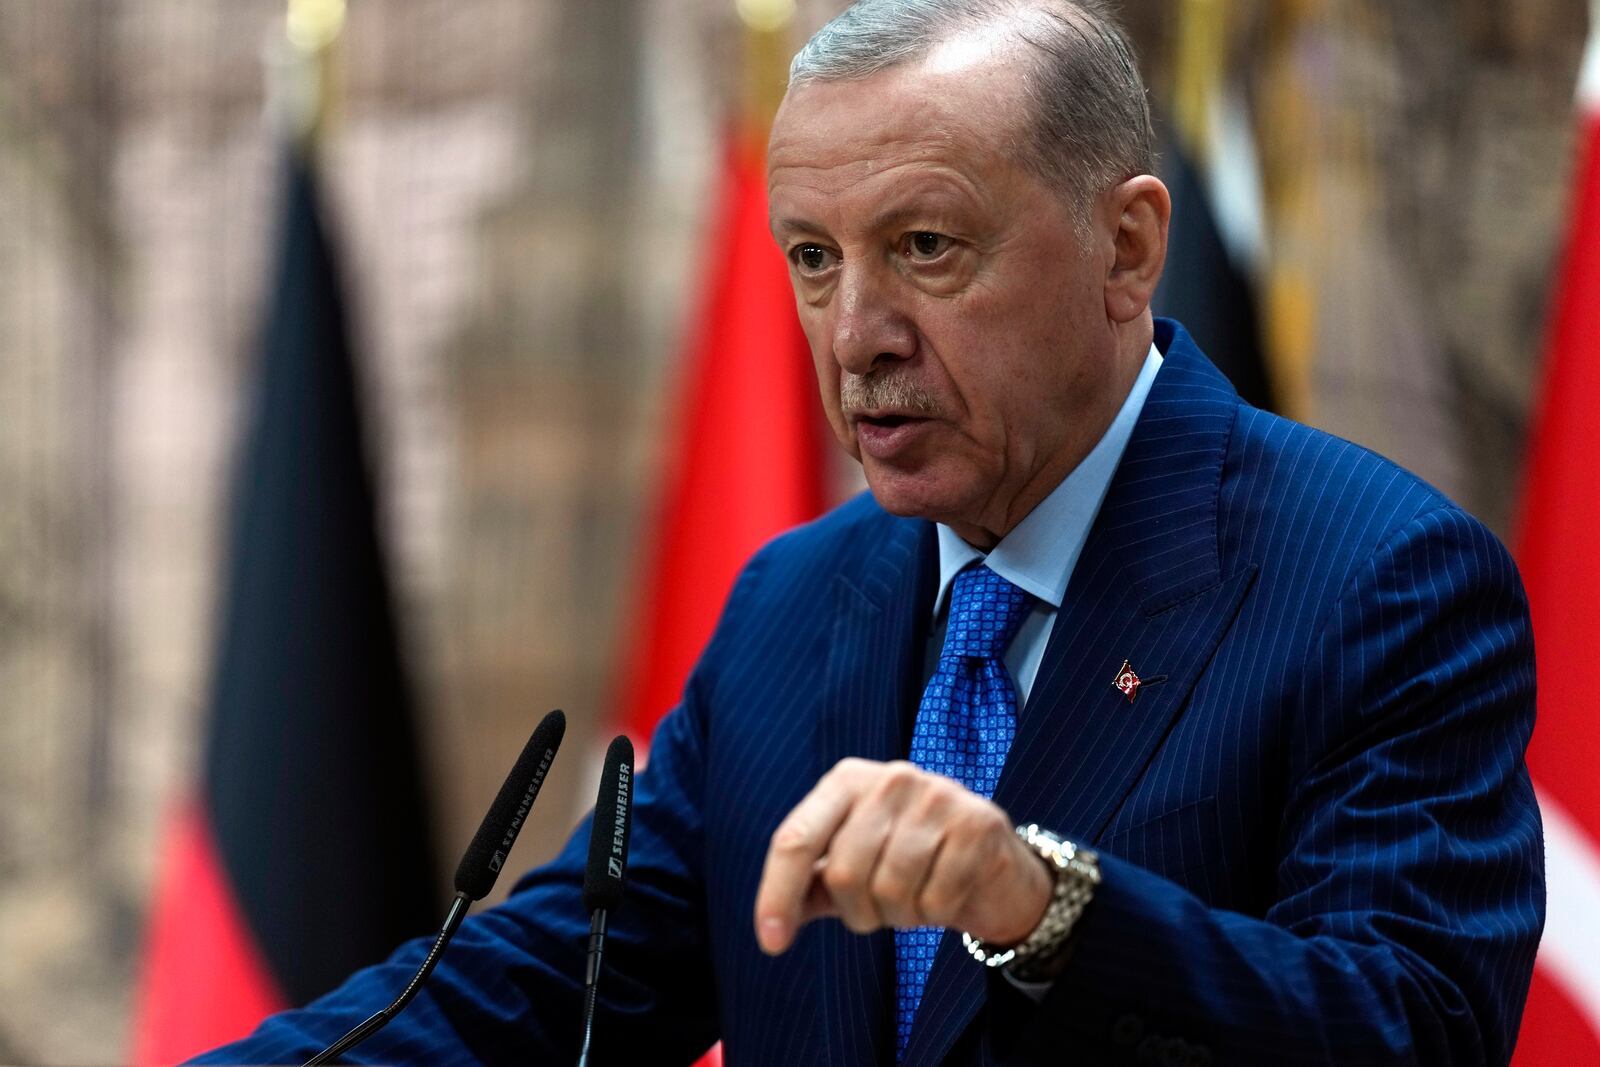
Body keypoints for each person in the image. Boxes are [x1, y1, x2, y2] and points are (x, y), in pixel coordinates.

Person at [193, 1, 1543, 1064]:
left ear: (1127, 248)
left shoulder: (1378, 579)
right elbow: (556, 981)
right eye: (814, 258)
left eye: (929, 247)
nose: (856, 339)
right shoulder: (794, 601)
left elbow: (1411, 1028)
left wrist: (1042, 905)